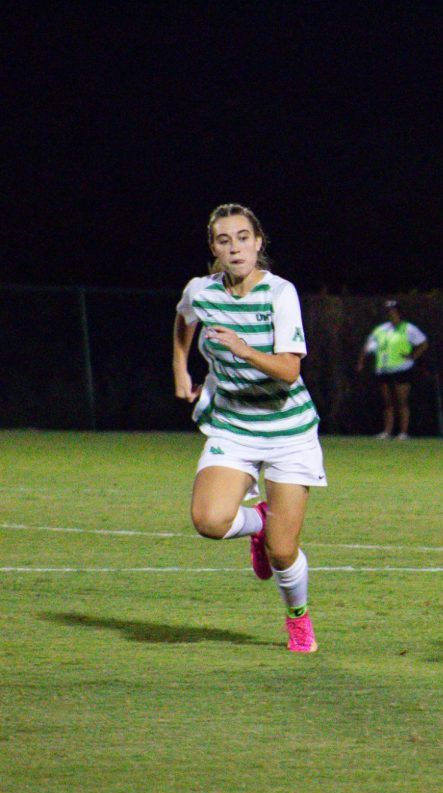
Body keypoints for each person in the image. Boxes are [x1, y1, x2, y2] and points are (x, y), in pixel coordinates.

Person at [172, 203, 325, 652]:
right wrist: (180, 367)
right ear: (214, 249)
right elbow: (184, 317)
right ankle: (255, 521)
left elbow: (288, 370)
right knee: (209, 520)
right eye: (225, 240)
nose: (235, 247)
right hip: (233, 426)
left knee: (282, 551)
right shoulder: (201, 290)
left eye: (243, 237)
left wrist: (242, 349)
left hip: (289, 431)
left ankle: (297, 616)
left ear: (259, 243)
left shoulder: (280, 293)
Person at [356, 300, 428, 440]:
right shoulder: (381, 329)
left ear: (399, 313)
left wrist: (413, 356)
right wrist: (361, 361)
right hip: (383, 369)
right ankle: (387, 431)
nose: (391, 314)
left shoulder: (408, 328)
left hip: (401, 369)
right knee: (388, 402)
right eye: (389, 311)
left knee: (402, 401)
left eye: (393, 311)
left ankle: (403, 432)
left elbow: (423, 343)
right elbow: (369, 345)